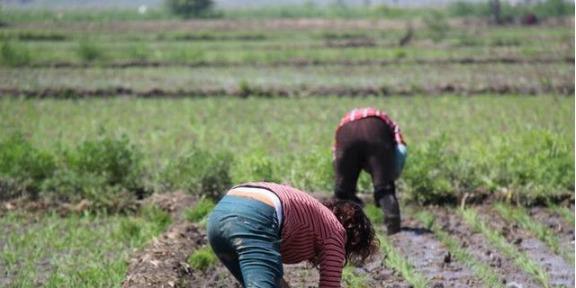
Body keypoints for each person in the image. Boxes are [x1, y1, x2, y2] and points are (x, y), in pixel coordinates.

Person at [207, 182, 378, 288]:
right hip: (256, 215)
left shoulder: (314, 216)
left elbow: (275, 280)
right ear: (353, 239)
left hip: (220, 214)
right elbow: (330, 285)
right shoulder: (335, 232)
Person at [333, 107, 407, 235]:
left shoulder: (344, 121)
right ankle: (394, 227)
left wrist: (342, 180)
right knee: (384, 189)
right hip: (376, 130)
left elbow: (335, 156)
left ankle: (338, 228)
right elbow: (401, 148)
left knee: (343, 192)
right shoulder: (385, 119)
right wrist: (389, 175)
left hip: (346, 133)